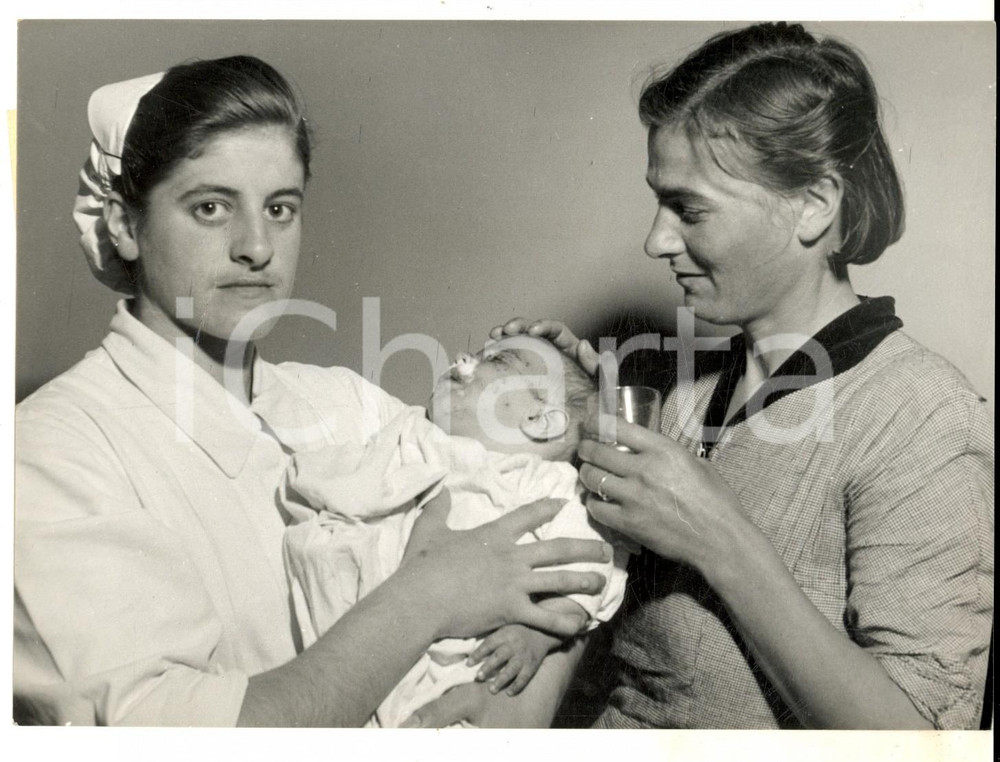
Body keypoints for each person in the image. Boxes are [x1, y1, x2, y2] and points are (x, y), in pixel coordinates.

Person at [409, 22, 993, 729]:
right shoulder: (670, 390)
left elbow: (923, 742)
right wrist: (566, 409)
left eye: (689, 208)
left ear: (813, 204)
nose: (654, 240)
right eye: (659, 201)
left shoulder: (924, 418)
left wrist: (720, 537)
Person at [12, 55, 611, 727]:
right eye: (210, 207)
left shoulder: (344, 406)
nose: (256, 247)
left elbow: (542, 530)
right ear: (124, 224)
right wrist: (427, 598)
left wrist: (522, 705)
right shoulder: (50, 454)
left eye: (280, 208)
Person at [282, 336, 630, 727]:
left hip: (472, 657)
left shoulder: (548, 484)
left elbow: (588, 571)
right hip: (371, 625)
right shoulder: (415, 432)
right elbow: (349, 483)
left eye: (498, 360)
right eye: (475, 353)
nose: (463, 359)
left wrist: (535, 636)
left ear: (539, 420)